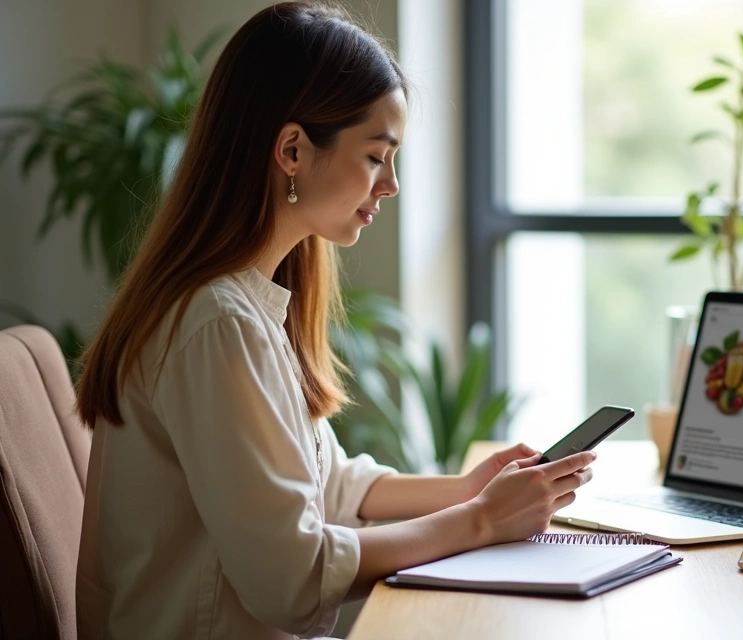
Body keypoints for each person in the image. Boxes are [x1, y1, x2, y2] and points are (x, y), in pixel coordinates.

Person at [72, 4, 594, 638]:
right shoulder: (216, 323)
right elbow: (291, 580)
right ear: (292, 149)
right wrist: (481, 520)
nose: (392, 184)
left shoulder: (247, 303)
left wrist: (466, 489)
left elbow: (330, 483)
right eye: (377, 156)